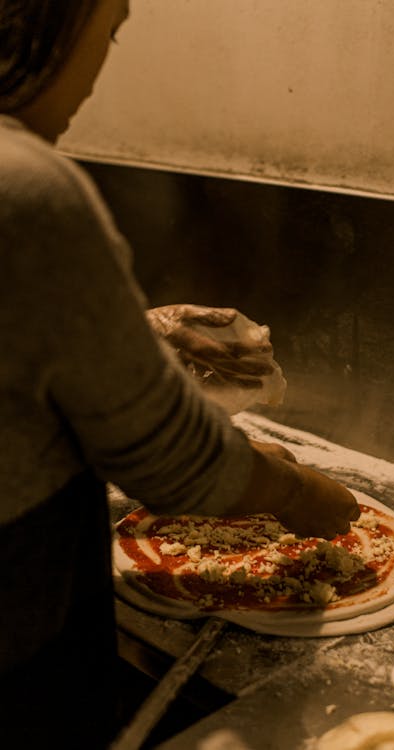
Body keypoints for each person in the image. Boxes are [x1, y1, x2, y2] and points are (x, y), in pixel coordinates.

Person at [0, 1, 360, 748]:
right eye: (113, 26)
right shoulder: (28, 184)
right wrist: (298, 491)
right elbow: (170, 463)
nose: (102, 70)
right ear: (52, 20)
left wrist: (130, 336)